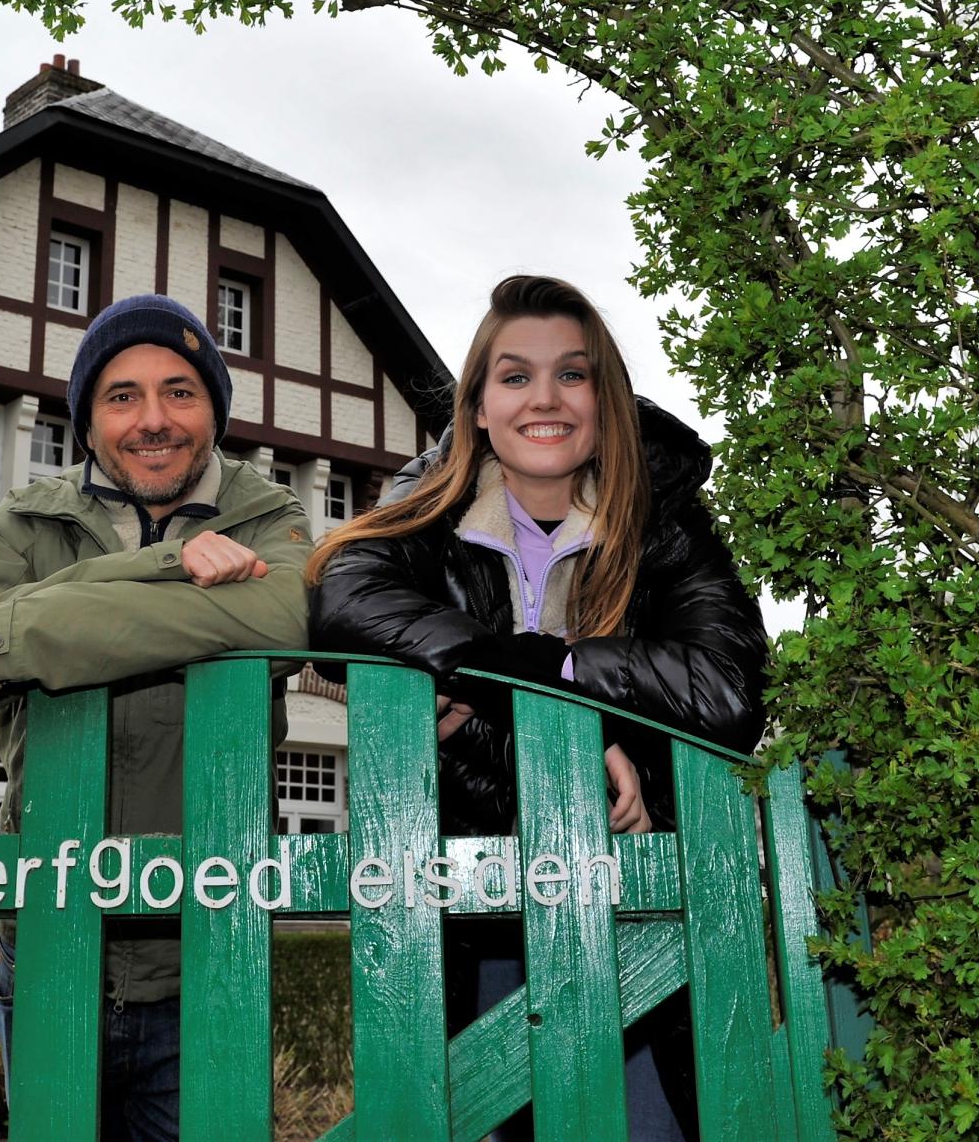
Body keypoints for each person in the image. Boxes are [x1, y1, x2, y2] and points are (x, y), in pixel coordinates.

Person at [307, 274, 767, 1140]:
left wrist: (542, 670)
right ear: (478, 405)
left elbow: (727, 687)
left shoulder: (661, 516)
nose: (544, 399)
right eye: (515, 376)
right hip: (470, 909)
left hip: (635, 908)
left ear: (606, 398)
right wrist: (553, 732)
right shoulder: (428, 503)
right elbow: (343, 601)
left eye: (573, 374)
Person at [0, 294, 314, 1142]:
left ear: (214, 412)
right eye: (122, 395)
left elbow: (286, 619)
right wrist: (169, 566)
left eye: (180, 392)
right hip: (49, 945)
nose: (152, 419)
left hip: (208, 948)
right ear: (86, 420)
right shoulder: (28, 518)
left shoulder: (266, 517)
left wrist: (23, 626)